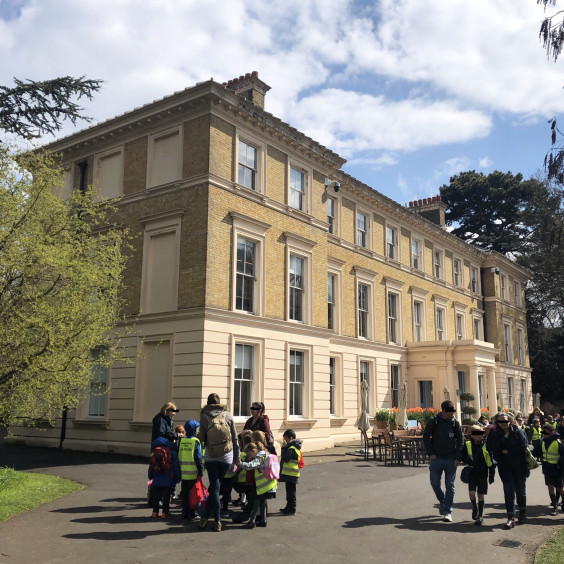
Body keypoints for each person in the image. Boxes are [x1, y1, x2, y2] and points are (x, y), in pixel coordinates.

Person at [198, 393, 239, 532]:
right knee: (216, 486)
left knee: (214, 488)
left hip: (211, 455)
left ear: (208, 403)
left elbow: (201, 440)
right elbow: (235, 438)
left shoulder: (204, 417)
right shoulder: (228, 415)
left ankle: (217, 520)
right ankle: (204, 518)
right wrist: (236, 457)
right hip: (226, 456)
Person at [423, 400, 464, 523]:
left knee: (450, 485)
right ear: (444, 410)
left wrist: (458, 458)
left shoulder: (455, 423)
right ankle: (443, 500)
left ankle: (448, 511)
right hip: (437, 458)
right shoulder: (433, 421)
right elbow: (425, 437)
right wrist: (431, 454)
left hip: (451, 459)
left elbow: (461, 441)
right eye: (450, 409)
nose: (452, 412)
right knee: (434, 483)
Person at [487, 412, 530, 528]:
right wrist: (503, 443)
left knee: (521, 491)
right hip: (504, 467)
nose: (503, 423)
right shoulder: (494, 433)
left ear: (510, 421)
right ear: (497, 422)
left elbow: (524, 447)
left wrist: (508, 451)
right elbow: (490, 448)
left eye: (505, 421)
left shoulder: (517, 431)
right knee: (509, 492)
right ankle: (510, 517)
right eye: (501, 421)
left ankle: (522, 511)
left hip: (520, 466)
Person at [238, 438, 277, 528]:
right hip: (269, 484)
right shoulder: (266, 453)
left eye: (250, 454)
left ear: (254, 450)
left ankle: (252, 522)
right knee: (262, 502)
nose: (250, 456)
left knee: (256, 503)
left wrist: (240, 464)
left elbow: (250, 466)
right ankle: (263, 520)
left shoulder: (260, 457)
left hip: (262, 485)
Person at [460, 425, 495, 525]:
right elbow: (463, 456)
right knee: (472, 493)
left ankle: (480, 516)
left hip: (483, 473)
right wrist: (469, 462)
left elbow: (491, 461)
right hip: (472, 472)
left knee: (480, 495)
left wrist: (492, 474)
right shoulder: (467, 444)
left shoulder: (486, 445)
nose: (480, 436)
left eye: (481, 433)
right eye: (477, 434)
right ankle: (474, 507)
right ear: (472, 435)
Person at [532, 423, 564, 516]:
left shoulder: (557, 443)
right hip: (547, 469)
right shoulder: (542, 441)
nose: (544, 435)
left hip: (557, 470)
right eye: (543, 433)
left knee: (560, 489)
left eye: (547, 433)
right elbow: (536, 452)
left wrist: (560, 466)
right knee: (550, 488)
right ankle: (555, 507)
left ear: (552, 432)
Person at [148, 435, 181, 519]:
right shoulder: (171, 450)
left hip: (156, 476)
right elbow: (175, 465)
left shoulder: (154, 449)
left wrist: (150, 476)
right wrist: (178, 476)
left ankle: (155, 512)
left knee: (156, 496)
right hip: (168, 477)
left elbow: (151, 465)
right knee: (166, 497)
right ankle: (164, 513)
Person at [178, 419, 204, 520]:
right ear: (194, 430)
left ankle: (184, 512)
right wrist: (200, 471)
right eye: (197, 428)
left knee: (184, 494)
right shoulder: (195, 441)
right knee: (192, 495)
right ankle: (192, 513)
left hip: (183, 472)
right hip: (193, 472)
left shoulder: (182, 440)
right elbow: (198, 458)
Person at [279, 428, 302, 516]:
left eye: (286, 439)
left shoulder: (292, 447)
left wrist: (283, 449)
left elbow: (286, 458)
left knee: (291, 492)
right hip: (291, 473)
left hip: (291, 473)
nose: (285, 441)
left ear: (291, 438)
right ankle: (288, 507)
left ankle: (292, 508)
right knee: (289, 492)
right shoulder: (293, 447)